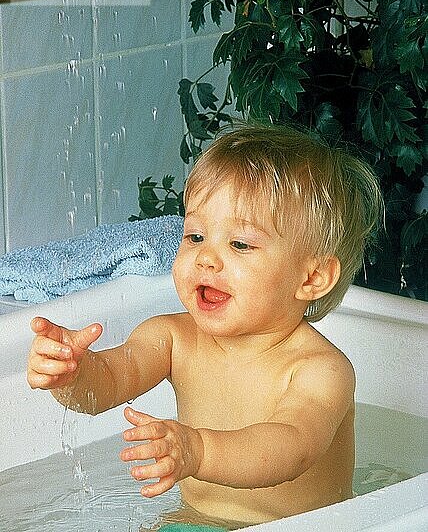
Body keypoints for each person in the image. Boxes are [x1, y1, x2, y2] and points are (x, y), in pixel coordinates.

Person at [27, 124, 383, 528]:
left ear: (311, 278)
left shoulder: (322, 370)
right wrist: (71, 373)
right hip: (192, 521)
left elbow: (292, 445)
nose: (206, 259)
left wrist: (197, 451)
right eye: (195, 235)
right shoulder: (172, 338)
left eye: (240, 244)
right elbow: (106, 382)